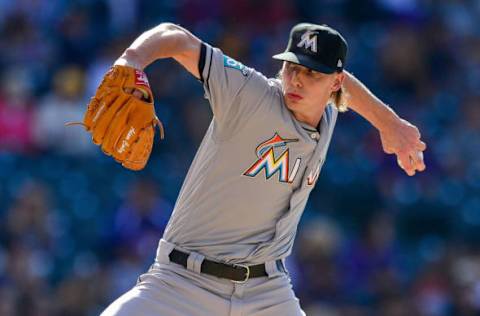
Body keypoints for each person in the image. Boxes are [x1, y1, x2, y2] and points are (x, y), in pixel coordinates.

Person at [100, 22, 426, 315]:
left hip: (266, 292)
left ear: (333, 84)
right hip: (182, 283)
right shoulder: (249, 94)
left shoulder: (326, 114)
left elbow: (348, 90)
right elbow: (176, 37)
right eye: (292, 67)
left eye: (311, 73)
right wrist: (132, 59)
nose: (297, 79)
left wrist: (391, 125)